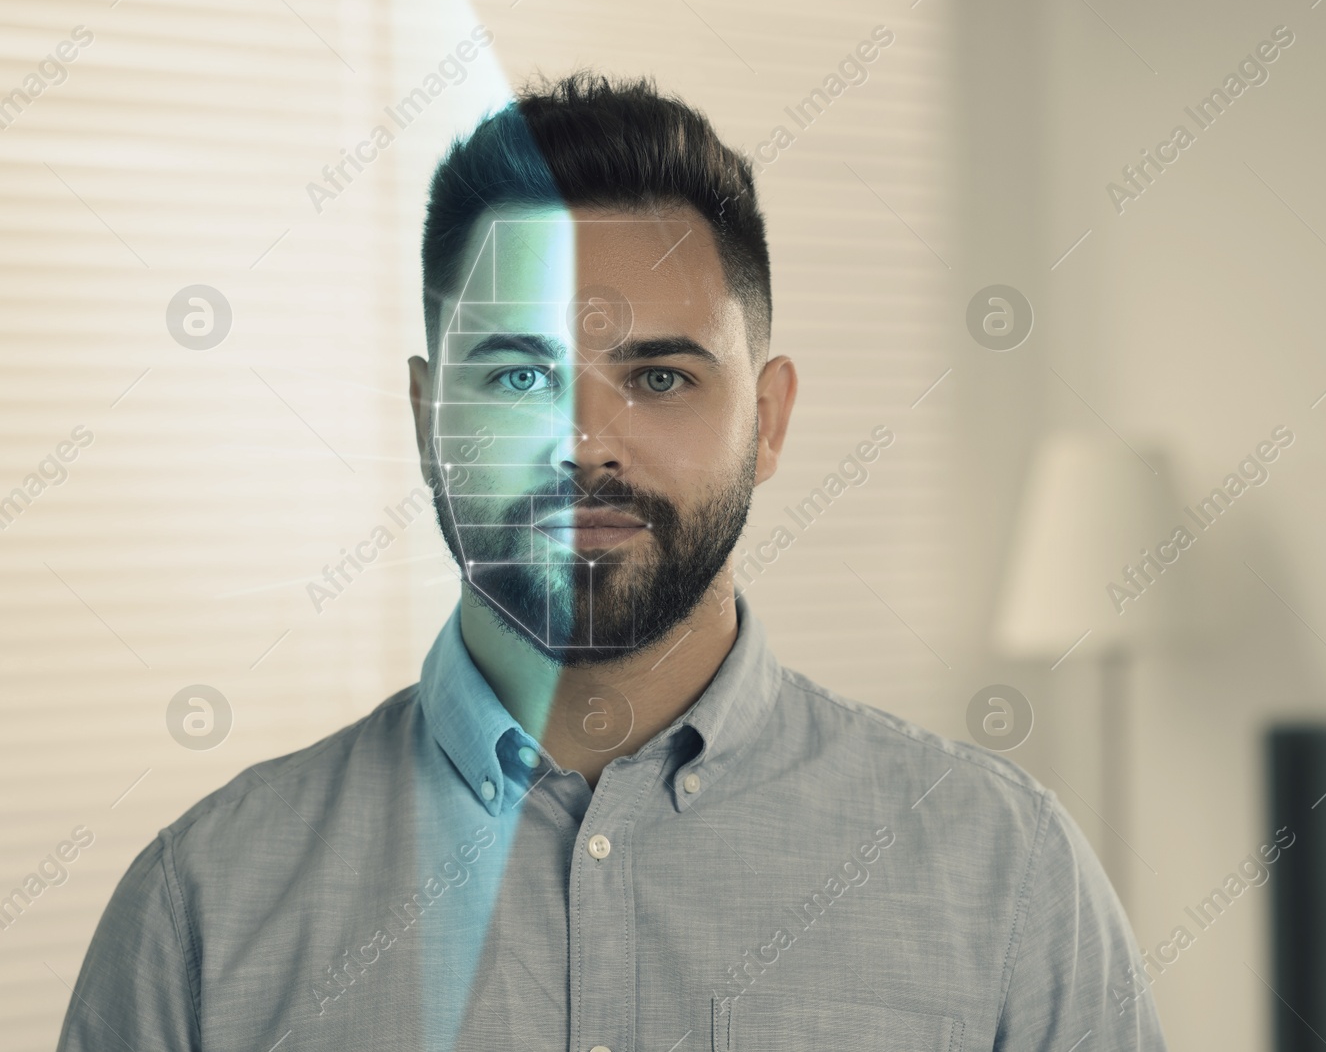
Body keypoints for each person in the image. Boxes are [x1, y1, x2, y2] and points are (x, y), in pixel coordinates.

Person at [58, 73, 1167, 1052]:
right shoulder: (202, 908)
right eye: (517, 378)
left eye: (662, 377)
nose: (585, 443)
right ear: (424, 415)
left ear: (769, 420)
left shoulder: (1006, 877)